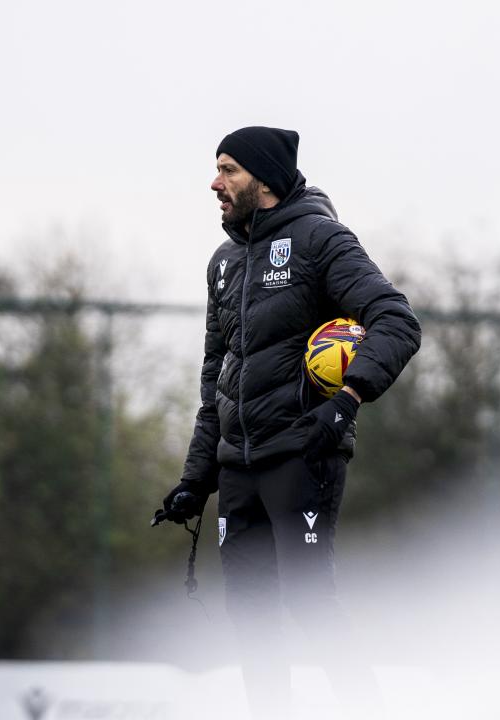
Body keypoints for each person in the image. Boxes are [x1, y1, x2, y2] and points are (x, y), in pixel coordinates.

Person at [155, 126, 421, 718]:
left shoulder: (321, 241)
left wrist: (347, 400)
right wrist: (196, 480)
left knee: (310, 604)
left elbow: (396, 322)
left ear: (265, 180)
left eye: (227, 170)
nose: (215, 183)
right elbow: (214, 379)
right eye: (216, 169)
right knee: (249, 616)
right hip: (238, 469)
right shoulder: (223, 263)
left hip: (304, 453)